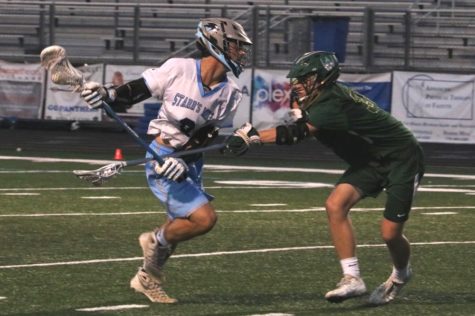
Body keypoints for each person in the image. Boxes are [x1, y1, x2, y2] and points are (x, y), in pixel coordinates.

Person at [223, 51, 425, 305]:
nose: (297, 84)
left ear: (321, 78)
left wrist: (251, 136)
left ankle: (400, 275)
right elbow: (301, 124)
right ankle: (352, 278)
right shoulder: (318, 98)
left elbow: (296, 134)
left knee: (390, 233)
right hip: (370, 158)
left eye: (304, 78)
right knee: (335, 205)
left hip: (401, 157)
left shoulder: (331, 101)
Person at [80, 17, 253, 303]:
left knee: (178, 226)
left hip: (188, 161)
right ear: (218, 44)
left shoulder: (231, 92)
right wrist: (108, 94)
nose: (242, 52)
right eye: (236, 46)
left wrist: (186, 159)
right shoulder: (179, 68)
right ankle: (154, 240)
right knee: (204, 219)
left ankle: (146, 277)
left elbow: (208, 135)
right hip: (161, 156)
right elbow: (137, 90)